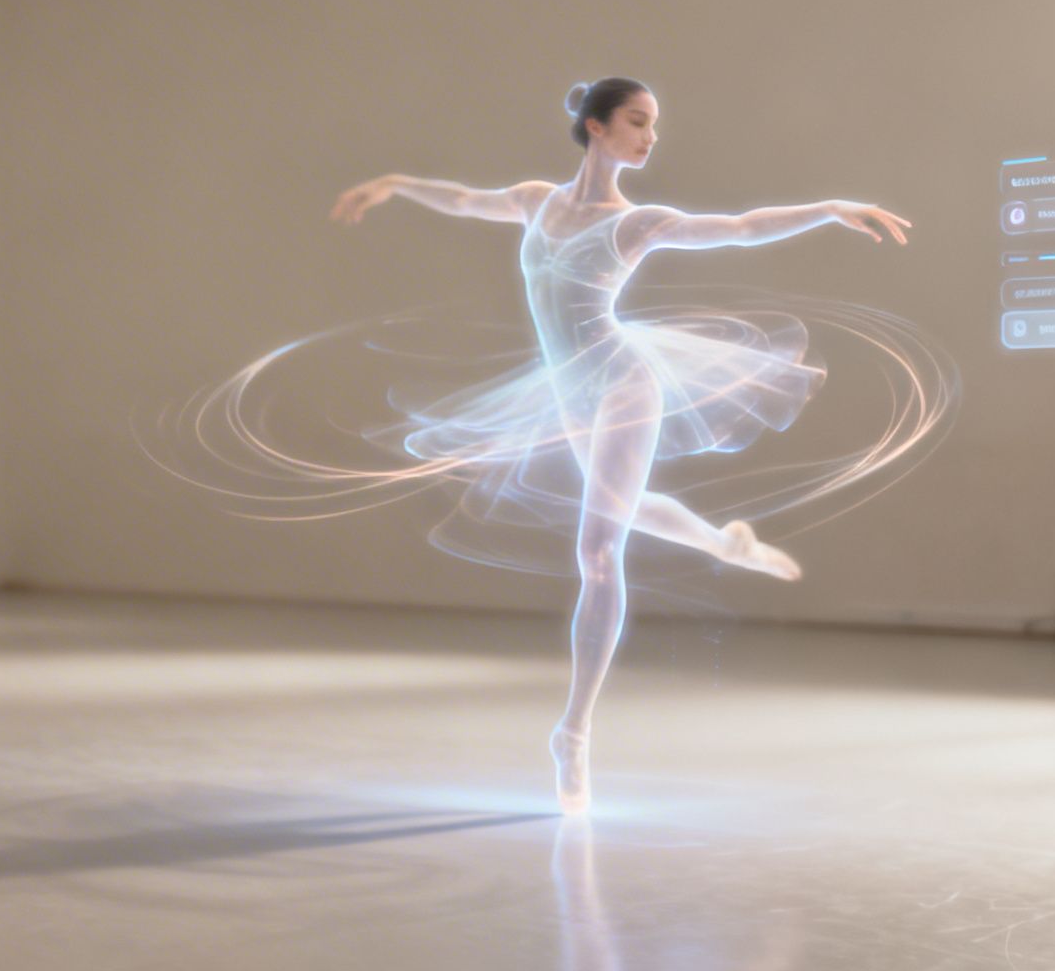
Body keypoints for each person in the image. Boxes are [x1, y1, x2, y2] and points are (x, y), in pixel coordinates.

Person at [332, 77, 908, 814]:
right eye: (638, 121)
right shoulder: (537, 200)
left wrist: (829, 209)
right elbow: (464, 200)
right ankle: (724, 544)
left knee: (597, 550)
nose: (651, 136)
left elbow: (738, 227)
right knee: (629, 511)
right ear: (596, 126)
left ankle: (573, 733)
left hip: (624, 384)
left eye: (654, 125)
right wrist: (396, 183)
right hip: (570, 392)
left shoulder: (636, 223)